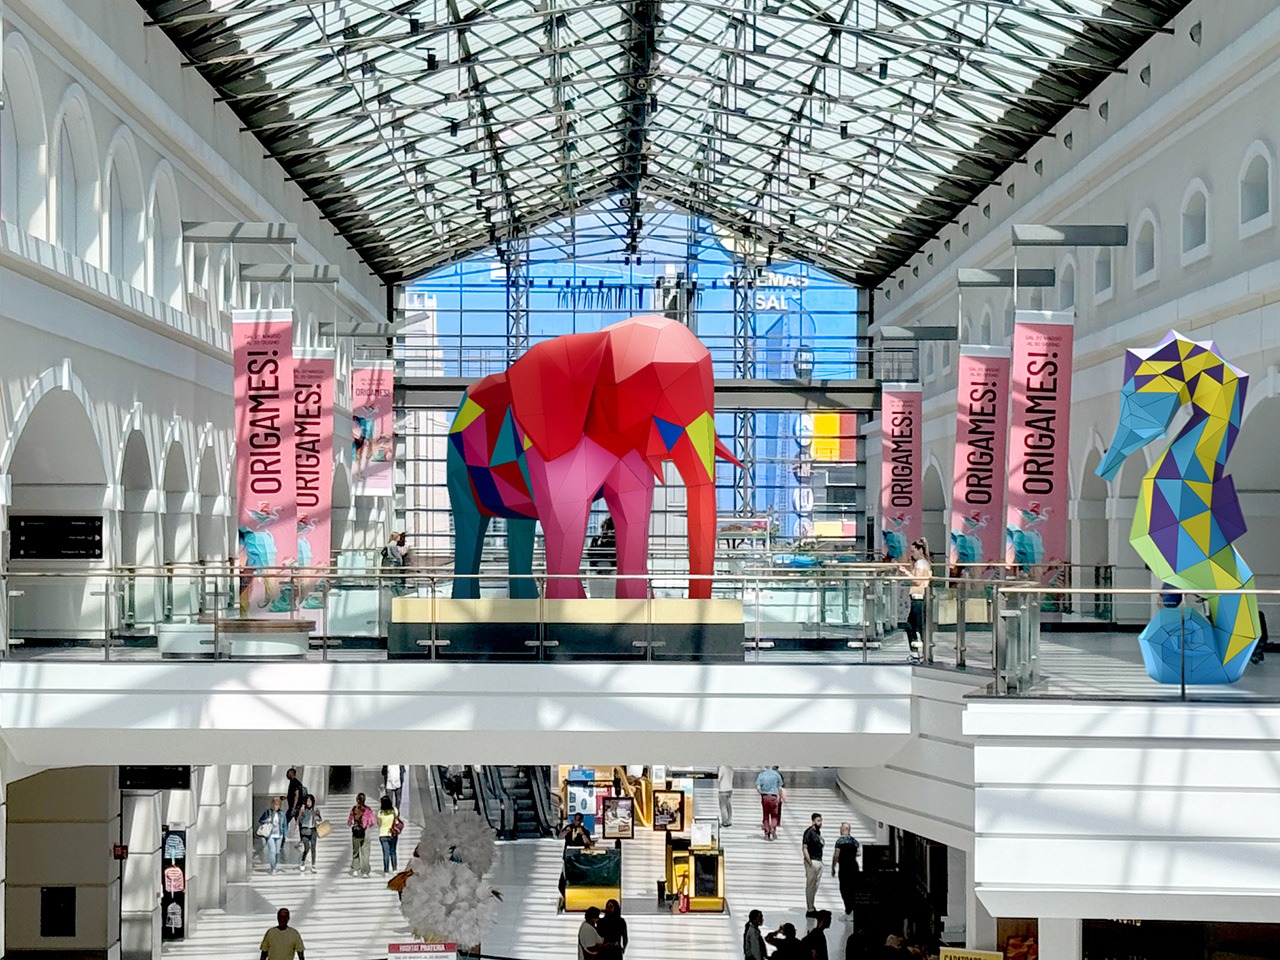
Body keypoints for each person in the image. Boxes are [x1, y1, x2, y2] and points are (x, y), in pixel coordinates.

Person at [899, 538, 932, 660]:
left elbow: (918, 580)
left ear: (920, 550)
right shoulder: (923, 563)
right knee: (915, 625)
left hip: (919, 597)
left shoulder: (921, 564)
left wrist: (906, 572)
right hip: (918, 597)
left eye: (913, 551)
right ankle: (919, 651)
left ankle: (919, 651)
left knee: (914, 626)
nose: (911, 554)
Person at [832, 822, 860, 921]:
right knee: (853, 889)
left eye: (841, 828)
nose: (840, 829)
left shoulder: (840, 841)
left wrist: (834, 866)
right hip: (854, 867)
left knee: (845, 889)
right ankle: (854, 911)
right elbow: (859, 853)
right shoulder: (854, 841)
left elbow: (836, 855)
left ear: (844, 829)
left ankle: (848, 911)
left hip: (845, 869)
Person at [347, 791, 375, 877]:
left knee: (355, 851)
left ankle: (355, 869)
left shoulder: (354, 809)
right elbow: (372, 822)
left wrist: (354, 824)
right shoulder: (368, 810)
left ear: (357, 800)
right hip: (365, 832)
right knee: (365, 852)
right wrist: (367, 825)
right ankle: (365, 872)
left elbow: (349, 822)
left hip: (356, 832)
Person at [802, 812, 825, 916]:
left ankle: (812, 905)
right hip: (812, 861)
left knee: (815, 885)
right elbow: (804, 848)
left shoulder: (818, 832)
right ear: (813, 821)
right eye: (818, 820)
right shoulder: (809, 832)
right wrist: (809, 862)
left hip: (818, 861)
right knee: (811, 885)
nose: (820, 823)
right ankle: (810, 909)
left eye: (821, 820)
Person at [257, 797, 286, 874]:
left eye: (278, 805)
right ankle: (272, 867)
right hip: (270, 835)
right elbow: (260, 820)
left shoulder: (282, 814)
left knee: (277, 852)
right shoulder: (268, 812)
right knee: (272, 851)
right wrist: (266, 821)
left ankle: (274, 866)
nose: (276, 807)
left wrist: (283, 835)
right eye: (275, 805)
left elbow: (284, 825)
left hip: (279, 835)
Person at [756, 766, 783, 840]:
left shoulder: (761, 775)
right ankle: (772, 828)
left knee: (766, 815)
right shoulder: (777, 775)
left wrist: (761, 793)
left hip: (765, 796)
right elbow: (780, 788)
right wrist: (780, 796)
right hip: (774, 796)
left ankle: (767, 832)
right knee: (774, 816)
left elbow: (758, 787)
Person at [296, 794, 321, 873]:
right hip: (304, 830)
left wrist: (316, 817)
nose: (308, 803)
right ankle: (303, 860)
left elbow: (320, 818)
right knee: (307, 847)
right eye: (307, 801)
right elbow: (298, 820)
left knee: (313, 847)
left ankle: (313, 864)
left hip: (313, 830)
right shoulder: (303, 810)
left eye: (310, 801)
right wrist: (301, 813)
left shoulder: (315, 809)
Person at [377, 794, 400, 875]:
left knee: (385, 853)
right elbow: (397, 819)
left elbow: (379, 824)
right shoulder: (394, 810)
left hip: (383, 834)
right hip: (393, 833)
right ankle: (394, 869)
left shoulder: (380, 812)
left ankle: (386, 870)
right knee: (393, 851)